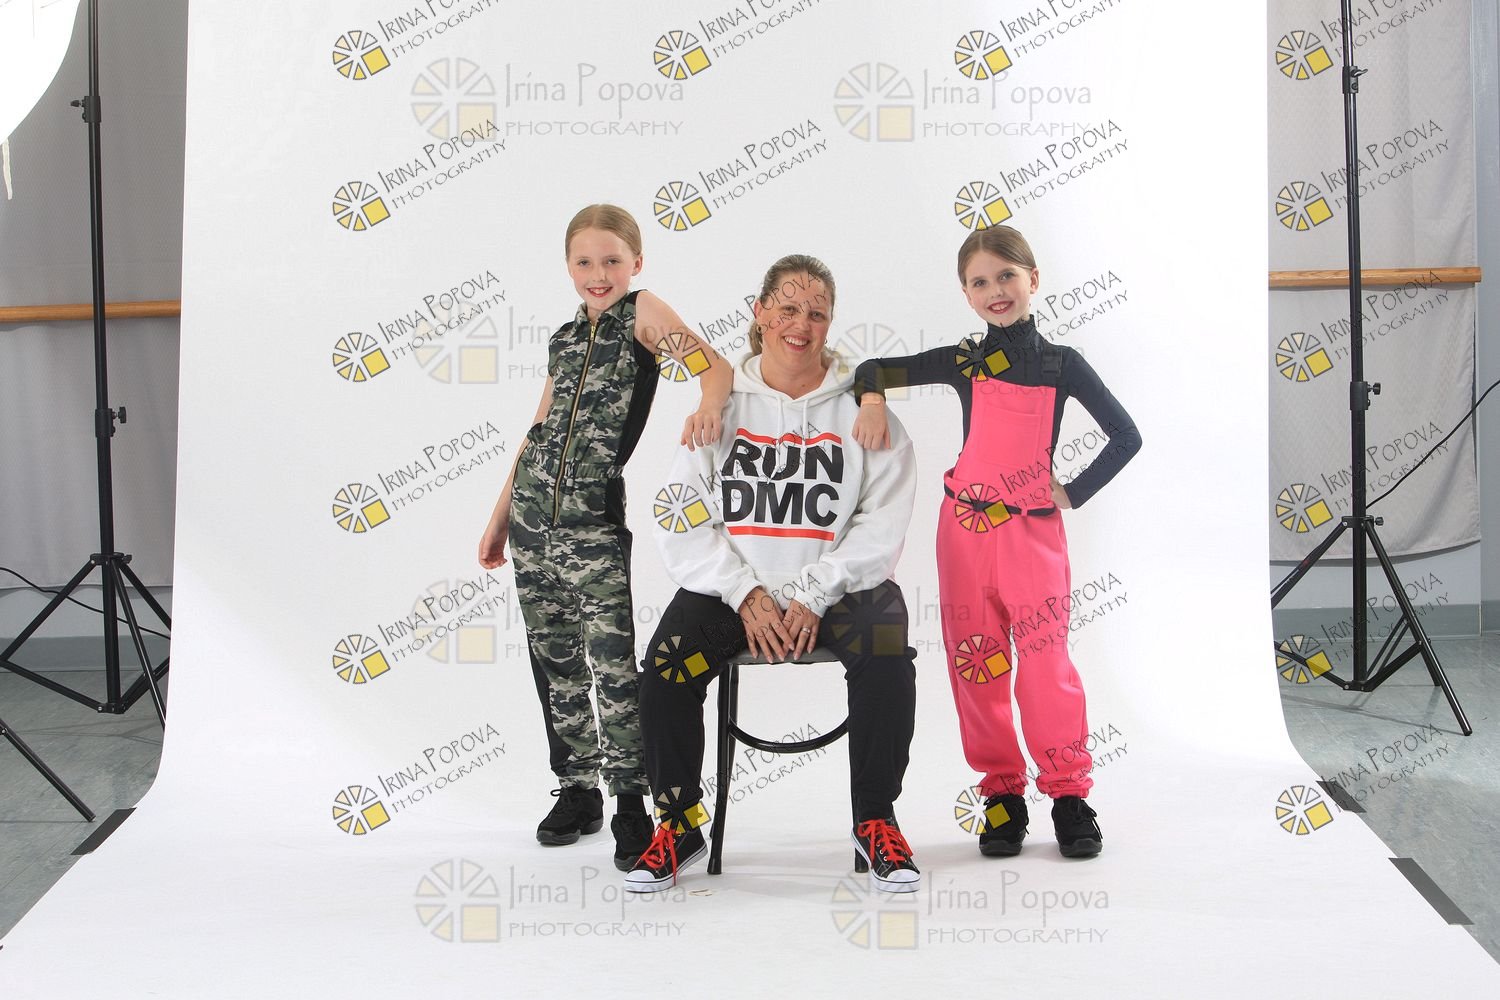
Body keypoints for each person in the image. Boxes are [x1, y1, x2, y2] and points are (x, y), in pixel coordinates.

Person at [624, 254, 921, 894]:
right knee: (668, 665)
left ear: (830, 322)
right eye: (787, 308)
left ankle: (875, 818)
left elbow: (883, 524)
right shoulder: (720, 405)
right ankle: (679, 823)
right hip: (736, 599)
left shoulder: (866, 412)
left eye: (817, 313)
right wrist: (744, 591)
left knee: (887, 646)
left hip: (835, 596)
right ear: (759, 313)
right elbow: (679, 515)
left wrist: (815, 590)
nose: (801, 324)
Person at [851, 225, 1141, 859]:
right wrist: (870, 401)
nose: (996, 290)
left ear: (1033, 279)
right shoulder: (964, 360)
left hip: (1031, 535)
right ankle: (1003, 795)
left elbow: (1126, 436)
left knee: (1045, 667)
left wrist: (1073, 492)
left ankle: (1068, 795)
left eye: (1007, 276)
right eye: (979, 282)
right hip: (964, 532)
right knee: (975, 662)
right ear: (966, 294)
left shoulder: (1062, 364)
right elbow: (872, 369)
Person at [478, 204, 731, 872]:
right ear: (568, 266)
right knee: (555, 662)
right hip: (532, 520)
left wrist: (707, 406)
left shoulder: (641, 313)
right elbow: (538, 429)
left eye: (612, 260)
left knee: (615, 669)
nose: (598, 273)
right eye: (585, 262)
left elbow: (715, 368)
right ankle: (577, 790)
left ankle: (629, 802)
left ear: (636, 263)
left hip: (593, 521)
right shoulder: (564, 339)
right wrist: (500, 516)